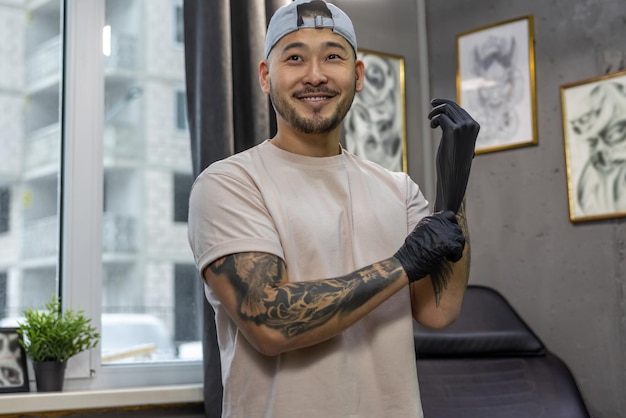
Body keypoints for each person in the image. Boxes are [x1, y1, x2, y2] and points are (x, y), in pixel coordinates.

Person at [187, 1, 479, 417]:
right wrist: (403, 264)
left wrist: (455, 186)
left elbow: (438, 310)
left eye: (333, 56)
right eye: (294, 58)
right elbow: (269, 322)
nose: (315, 75)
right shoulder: (229, 184)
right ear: (266, 77)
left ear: (357, 76)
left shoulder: (398, 190)